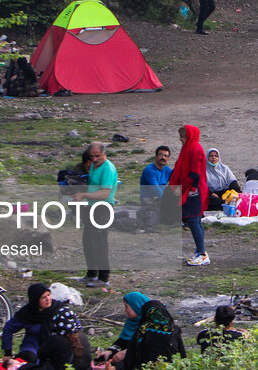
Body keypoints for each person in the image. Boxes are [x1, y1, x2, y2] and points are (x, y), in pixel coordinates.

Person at [1, 283, 90, 370]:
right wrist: (7, 351)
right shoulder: (26, 313)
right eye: (43, 297)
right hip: (33, 345)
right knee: (29, 358)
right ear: (35, 300)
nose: (48, 299)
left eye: (49, 295)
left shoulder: (60, 310)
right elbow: (8, 328)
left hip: (57, 345)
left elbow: (75, 328)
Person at [97, 292, 186, 369]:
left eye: (127, 307)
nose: (125, 310)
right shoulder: (132, 323)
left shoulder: (146, 329)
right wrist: (110, 351)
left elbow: (140, 353)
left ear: (136, 306)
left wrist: (121, 361)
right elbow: (122, 341)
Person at [72, 142, 117, 288]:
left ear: (104, 154)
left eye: (97, 156)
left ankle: (104, 278)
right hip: (91, 207)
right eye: (92, 156)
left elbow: (105, 193)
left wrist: (83, 194)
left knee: (99, 242)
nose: (94, 159)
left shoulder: (107, 169)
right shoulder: (93, 165)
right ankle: (91, 273)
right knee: (88, 241)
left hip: (102, 208)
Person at [168, 125, 209, 266]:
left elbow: (195, 173)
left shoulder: (195, 149)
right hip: (191, 189)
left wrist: (185, 187)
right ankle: (200, 251)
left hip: (194, 190)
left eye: (183, 136)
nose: (181, 139)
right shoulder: (188, 148)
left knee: (193, 220)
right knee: (195, 221)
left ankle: (202, 253)